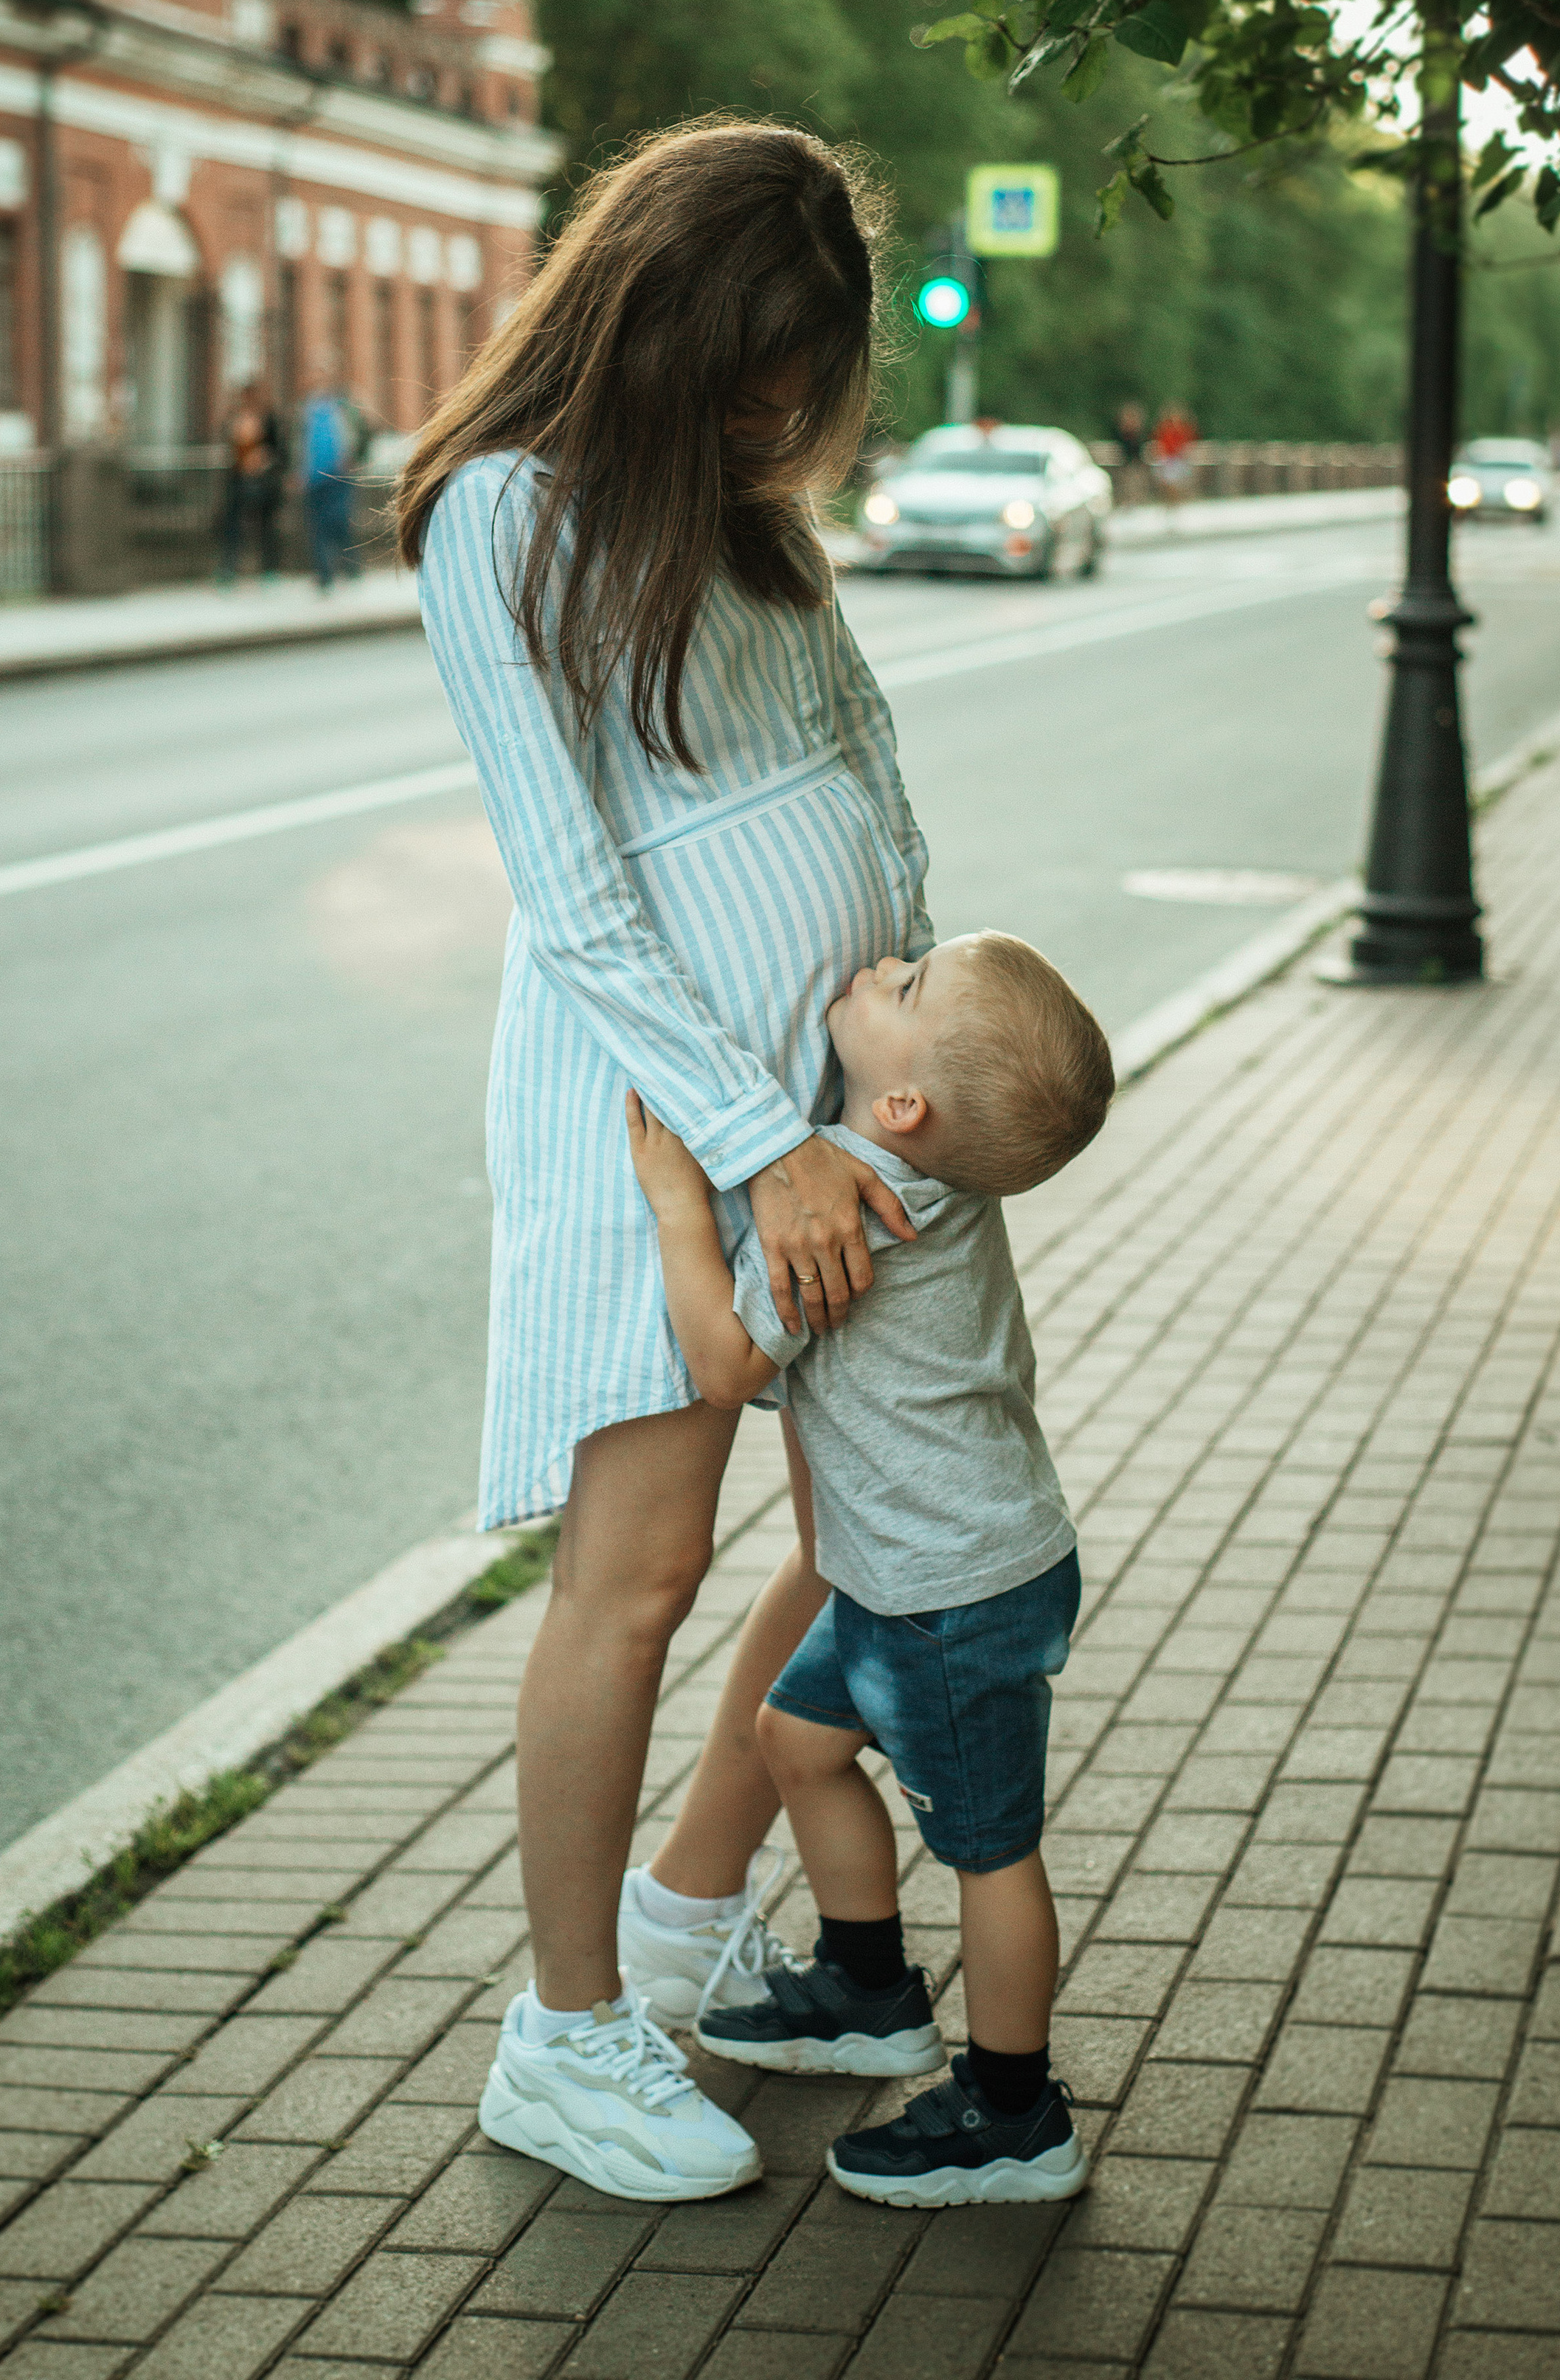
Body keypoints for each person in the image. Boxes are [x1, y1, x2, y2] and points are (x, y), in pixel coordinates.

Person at [398, 120, 932, 2204]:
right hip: (662, 1116)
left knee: (874, 1523)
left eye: (811, 377)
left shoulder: (750, 508)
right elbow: (582, 894)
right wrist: (752, 1142)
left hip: (832, 1108)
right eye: (751, 369)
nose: (783, 413)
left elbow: (860, 752)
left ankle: (687, 1912)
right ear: (652, 320)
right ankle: (565, 2031)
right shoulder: (503, 514)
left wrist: (906, 1038)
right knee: (627, 1586)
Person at [627, 929, 1113, 2207]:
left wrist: (682, 1204)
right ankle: (866, 1993)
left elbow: (731, 1366)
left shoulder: (848, 1196)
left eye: (905, 986)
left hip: (949, 1594)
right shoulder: (935, 1161)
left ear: (903, 1105)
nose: (883, 964)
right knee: (796, 1741)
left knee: (991, 1850)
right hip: (923, 1576)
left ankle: (1015, 2117)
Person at [217, 381, 285, 584]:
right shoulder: (234, 420)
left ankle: (269, 569)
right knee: (233, 526)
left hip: (264, 482)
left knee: (266, 527)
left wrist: (264, 459)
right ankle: (229, 568)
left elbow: (279, 451)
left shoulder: (269, 420)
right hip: (239, 479)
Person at [297, 369, 359, 587]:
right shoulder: (305, 410)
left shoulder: (343, 407)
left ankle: (351, 566)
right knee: (318, 527)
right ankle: (325, 573)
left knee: (340, 521)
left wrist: (353, 457)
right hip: (314, 477)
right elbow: (300, 444)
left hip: (339, 475)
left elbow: (361, 433)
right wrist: (300, 472)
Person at [1151, 401, 1199, 511]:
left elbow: (1189, 443)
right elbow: (1160, 444)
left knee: (1179, 484)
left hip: (1179, 459)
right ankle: (1171, 504)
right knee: (1169, 484)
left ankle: (1179, 505)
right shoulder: (1164, 428)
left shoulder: (1184, 429)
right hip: (1168, 460)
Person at [1112, 397, 1149, 506]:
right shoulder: (1121, 435)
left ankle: (1137, 501)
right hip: (1124, 464)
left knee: (1136, 482)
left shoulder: (1140, 435)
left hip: (1136, 463)